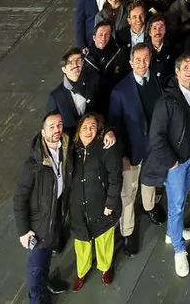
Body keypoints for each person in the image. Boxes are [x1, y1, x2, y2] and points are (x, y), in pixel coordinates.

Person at [140, 52, 190, 279]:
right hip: (176, 163)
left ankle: (172, 233)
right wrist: (172, 162)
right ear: (176, 72)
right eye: (185, 66)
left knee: (183, 195)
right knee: (176, 205)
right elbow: (156, 137)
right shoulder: (167, 101)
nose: (189, 69)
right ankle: (178, 249)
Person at [14, 112, 73, 302]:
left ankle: (45, 283)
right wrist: (24, 231)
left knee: (47, 256)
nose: (57, 130)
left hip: (56, 213)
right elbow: (19, 199)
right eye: (52, 127)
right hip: (39, 224)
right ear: (43, 131)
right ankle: (36, 299)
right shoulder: (33, 164)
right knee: (36, 266)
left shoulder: (65, 146)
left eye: (59, 125)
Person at [107, 43, 159, 256]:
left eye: (146, 58)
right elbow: (113, 126)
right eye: (137, 60)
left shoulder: (155, 81)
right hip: (131, 154)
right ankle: (128, 231)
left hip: (152, 150)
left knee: (150, 182)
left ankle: (150, 207)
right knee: (128, 194)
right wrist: (123, 157)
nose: (142, 63)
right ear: (130, 62)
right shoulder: (120, 91)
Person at [66, 112, 122, 289]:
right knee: (81, 245)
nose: (89, 130)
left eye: (93, 126)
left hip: (101, 207)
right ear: (78, 130)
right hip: (78, 211)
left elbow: (115, 178)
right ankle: (82, 272)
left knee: (104, 239)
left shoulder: (105, 148)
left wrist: (110, 204)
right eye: (85, 127)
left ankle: (105, 268)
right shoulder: (70, 150)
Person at [47, 48, 100, 137]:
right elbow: (53, 126)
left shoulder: (94, 83)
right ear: (64, 69)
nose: (75, 65)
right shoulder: (56, 97)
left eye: (78, 61)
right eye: (70, 63)